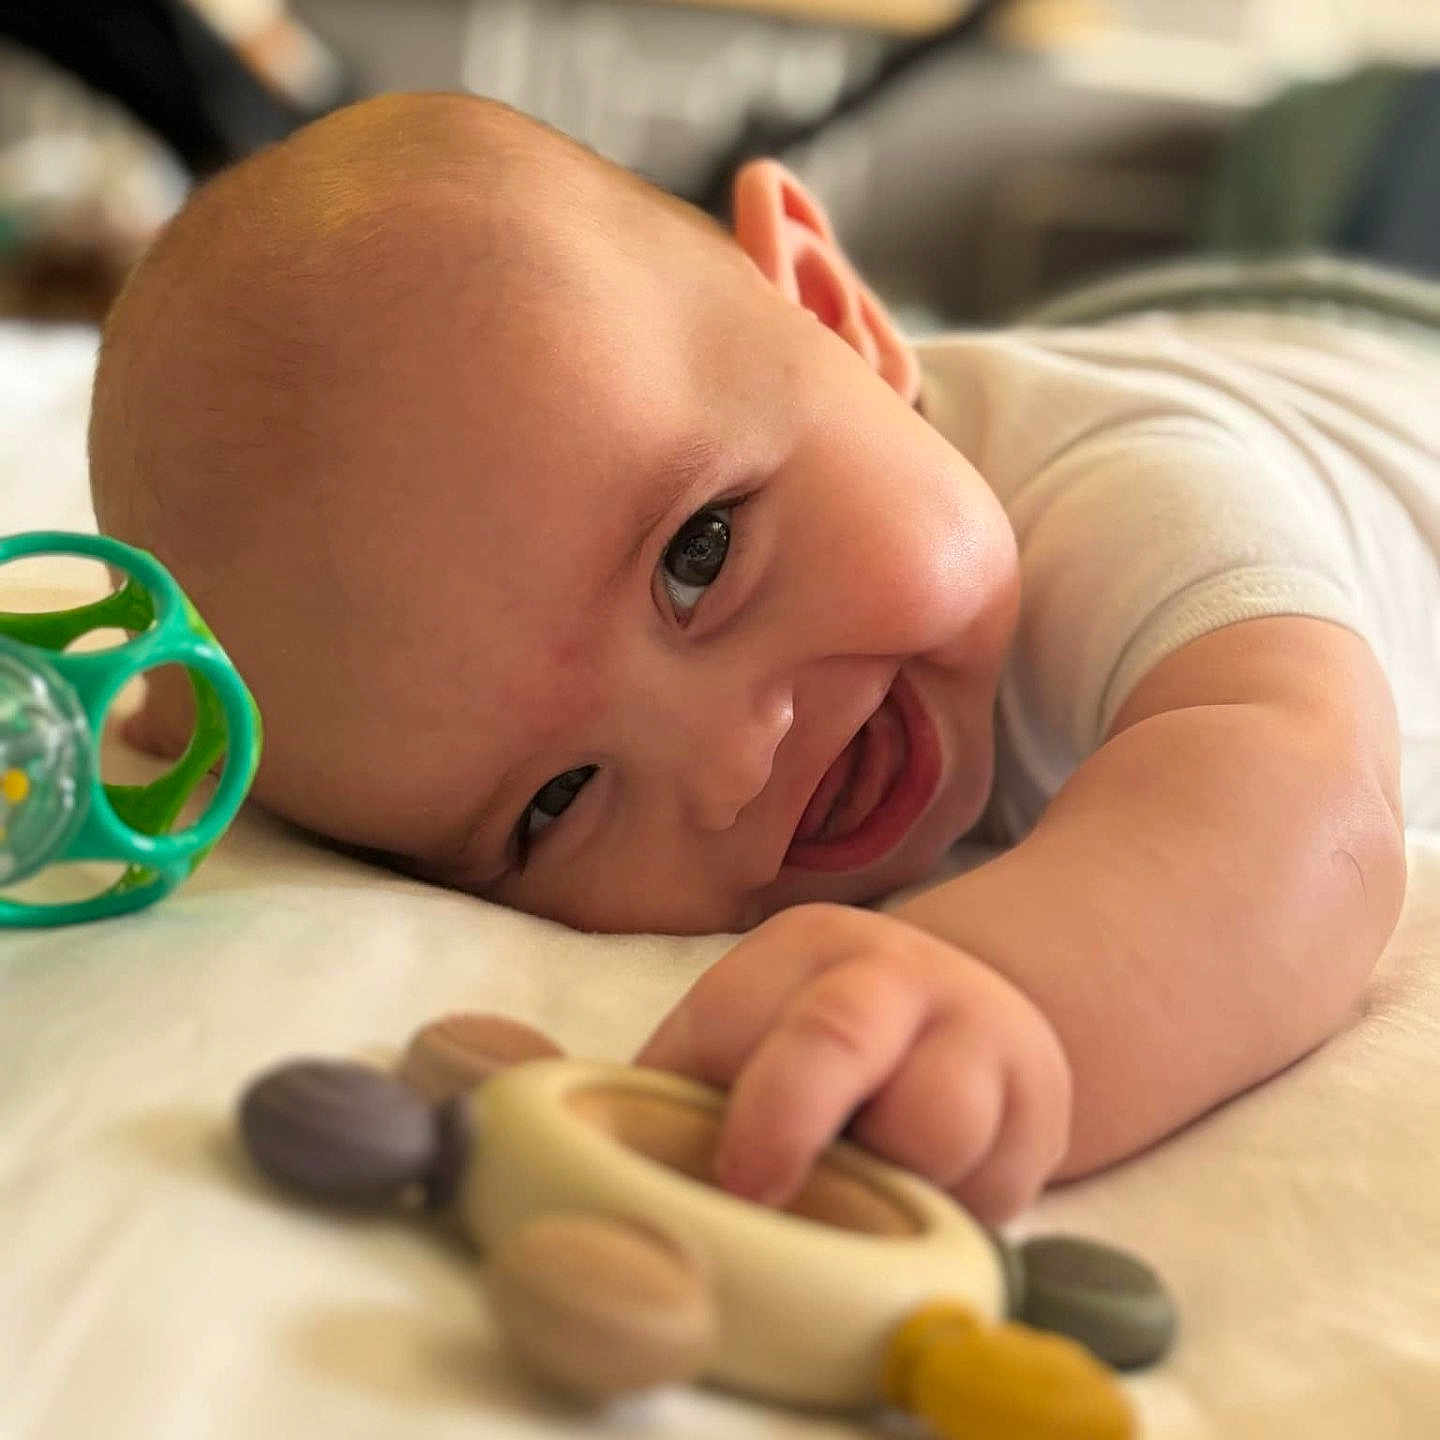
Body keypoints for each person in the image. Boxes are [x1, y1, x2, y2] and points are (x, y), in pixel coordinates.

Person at [89, 92, 1437, 1224]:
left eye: (699, 556)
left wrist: (993, 994)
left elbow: (1308, 803)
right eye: (555, 802)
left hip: (1358, 346)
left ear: (836, 310)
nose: (733, 762)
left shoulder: (1127, 492)